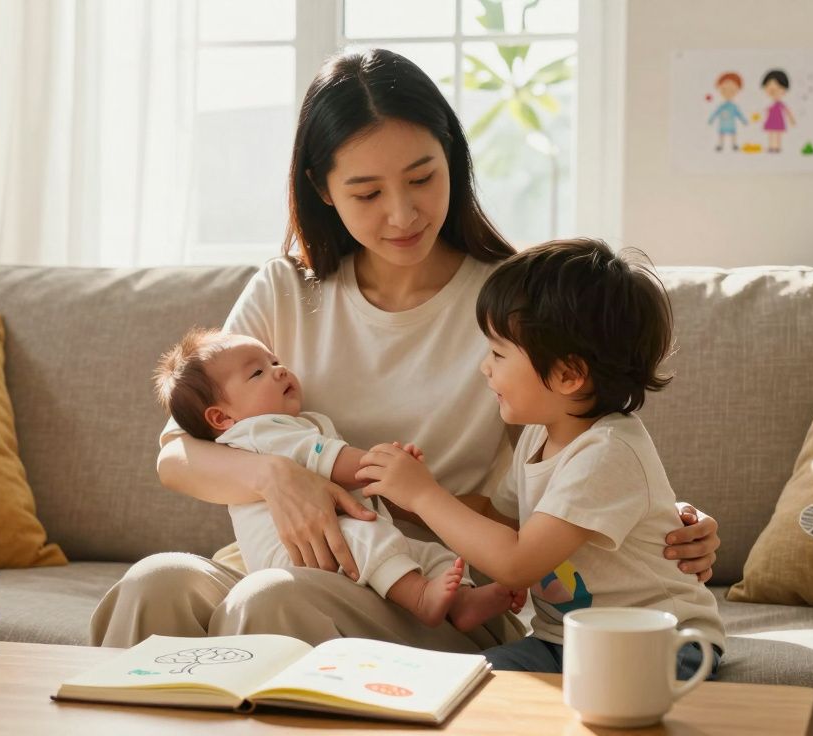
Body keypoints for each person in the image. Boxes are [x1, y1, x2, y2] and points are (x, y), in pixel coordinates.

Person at [90, 48, 721, 653]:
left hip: (430, 589)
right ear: (323, 189)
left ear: (453, 156)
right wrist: (276, 476)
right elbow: (178, 455)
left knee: (272, 601)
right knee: (156, 584)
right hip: (274, 562)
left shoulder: (509, 307)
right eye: (367, 193)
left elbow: (588, 441)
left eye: (422, 178)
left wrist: (669, 521)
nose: (402, 214)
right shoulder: (286, 291)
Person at [357, 239, 725, 676]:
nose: (484, 368)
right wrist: (399, 495)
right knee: (468, 684)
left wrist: (424, 496)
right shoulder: (539, 436)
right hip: (562, 641)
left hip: (663, 642)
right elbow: (497, 518)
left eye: (498, 353)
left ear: (568, 374)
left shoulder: (607, 452)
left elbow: (515, 563)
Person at [152, 327, 525, 630]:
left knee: (426, 552)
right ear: (220, 419)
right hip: (298, 551)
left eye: (275, 361)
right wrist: (386, 466)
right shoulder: (259, 432)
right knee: (367, 538)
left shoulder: (289, 424)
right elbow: (333, 462)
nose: (279, 370)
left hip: (332, 547)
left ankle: (458, 600)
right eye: (258, 372)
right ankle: (420, 597)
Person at [707, 71, 746, 152]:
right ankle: (720, 145)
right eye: (724, 89)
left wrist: (744, 120)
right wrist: (711, 119)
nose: (728, 92)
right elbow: (715, 113)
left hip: (731, 124)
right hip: (723, 124)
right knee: (721, 134)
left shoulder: (733, 106)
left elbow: (739, 114)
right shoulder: (722, 106)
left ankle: (734, 145)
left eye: (732, 90)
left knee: (733, 134)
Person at [761, 69, 795, 153]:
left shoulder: (781, 104)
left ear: (783, 90)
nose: (773, 92)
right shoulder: (771, 104)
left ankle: (777, 147)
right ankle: (771, 146)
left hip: (778, 121)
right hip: (771, 121)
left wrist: (791, 119)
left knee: (777, 134)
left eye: (776, 89)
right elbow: (767, 111)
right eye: (770, 90)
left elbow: (787, 111)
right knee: (771, 134)